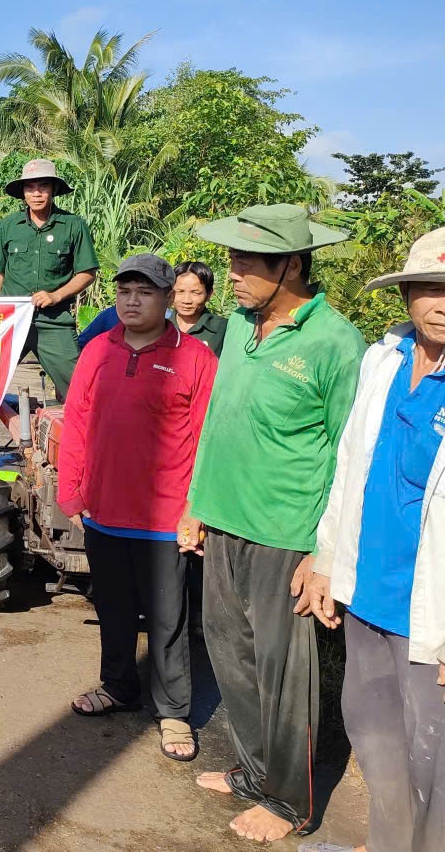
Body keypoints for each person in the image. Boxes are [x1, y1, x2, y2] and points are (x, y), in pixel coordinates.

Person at [177, 203, 366, 843]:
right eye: (230, 259)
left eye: (245, 262)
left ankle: (291, 802)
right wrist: (195, 505)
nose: (231, 273)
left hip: (287, 535)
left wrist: (325, 553)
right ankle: (254, 773)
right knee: (231, 657)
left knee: (286, 676)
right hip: (224, 521)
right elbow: (217, 426)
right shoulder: (237, 328)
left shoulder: (337, 343)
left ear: (290, 264)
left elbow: (350, 454)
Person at [298, 229, 445, 852]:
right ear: (407, 294)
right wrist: (327, 560)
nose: (442, 302)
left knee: (433, 763)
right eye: (431, 288)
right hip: (370, 595)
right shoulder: (382, 362)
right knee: (374, 734)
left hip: (431, 615)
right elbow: (349, 467)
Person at [57, 255, 217, 763]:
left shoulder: (194, 357)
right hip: (104, 511)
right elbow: (78, 421)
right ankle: (119, 686)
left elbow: (210, 440)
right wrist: (72, 489)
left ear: (168, 299)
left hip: (165, 520)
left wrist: (197, 509)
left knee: (168, 620)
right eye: (124, 290)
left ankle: (173, 711)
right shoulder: (98, 351)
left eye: (144, 292)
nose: (131, 300)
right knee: (114, 611)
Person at [0, 157, 98, 399]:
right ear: (23, 193)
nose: (36, 194)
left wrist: (56, 295)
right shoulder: (8, 226)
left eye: (43, 186)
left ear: (53, 190)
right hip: (10, 320)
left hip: (53, 322)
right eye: (30, 188)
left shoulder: (73, 226)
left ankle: (77, 435)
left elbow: (87, 273)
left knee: (79, 389)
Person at [172, 261, 227, 357]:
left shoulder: (223, 329)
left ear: (209, 294)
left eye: (196, 293)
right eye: (180, 292)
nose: (186, 300)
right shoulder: (158, 325)